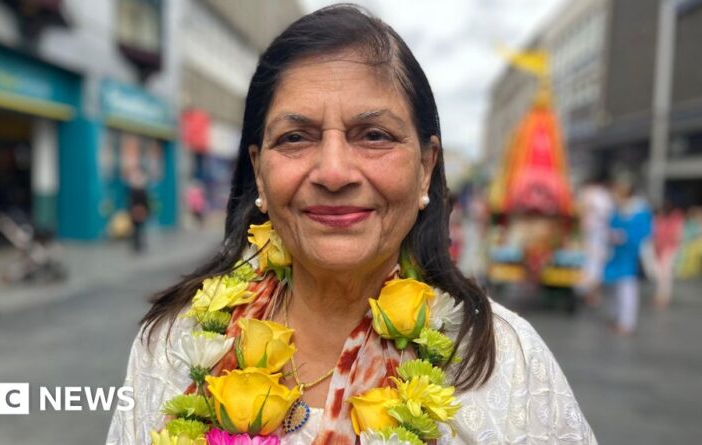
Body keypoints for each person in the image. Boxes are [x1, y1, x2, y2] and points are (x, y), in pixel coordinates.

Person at [107, 6, 595, 444]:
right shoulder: (178, 345)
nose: (334, 172)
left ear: (426, 167)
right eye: (296, 137)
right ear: (259, 170)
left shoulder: (505, 361)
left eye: (374, 135)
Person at [603, 179, 653, 335]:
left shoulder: (639, 211)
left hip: (631, 257)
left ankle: (627, 323)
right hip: (617, 256)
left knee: (627, 291)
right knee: (616, 290)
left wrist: (625, 237)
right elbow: (611, 226)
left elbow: (643, 233)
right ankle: (617, 318)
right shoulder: (618, 209)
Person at [575, 175, 613, 307]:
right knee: (595, 264)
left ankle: (588, 292)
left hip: (589, 232)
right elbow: (607, 214)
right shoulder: (602, 195)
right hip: (596, 233)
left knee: (589, 263)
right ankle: (590, 293)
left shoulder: (584, 193)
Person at [652, 202, 684, 308]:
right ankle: (660, 295)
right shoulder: (658, 220)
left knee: (666, 274)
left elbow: (677, 236)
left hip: (670, 249)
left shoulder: (676, 220)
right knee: (660, 274)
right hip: (660, 249)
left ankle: (664, 296)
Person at [128, 170, 151, 253]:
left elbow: (131, 202)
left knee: (137, 230)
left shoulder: (134, 190)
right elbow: (145, 202)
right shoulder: (140, 190)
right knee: (138, 229)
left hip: (137, 212)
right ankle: (138, 245)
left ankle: (138, 245)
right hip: (139, 212)